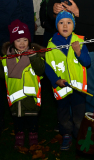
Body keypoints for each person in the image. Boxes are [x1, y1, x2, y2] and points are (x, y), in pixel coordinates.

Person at [47, 0, 94, 113]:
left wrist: (78, 12)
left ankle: (93, 121)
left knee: (89, 86)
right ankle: (70, 122)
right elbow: (47, 11)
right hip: (62, 48)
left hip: (86, 45)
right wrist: (54, 10)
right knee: (67, 86)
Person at [44, 10, 91, 150]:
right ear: (56, 25)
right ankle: (66, 135)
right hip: (61, 88)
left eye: (69, 22)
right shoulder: (51, 44)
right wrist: (55, 80)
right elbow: (47, 66)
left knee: (78, 114)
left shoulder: (80, 41)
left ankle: (79, 135)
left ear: (74, 25)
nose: (65, 26)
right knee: (63, 114)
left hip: (77, 89)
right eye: (61, 22)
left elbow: (87, 62)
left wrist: (78, 52)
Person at [0, 19, 45, 149]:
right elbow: (3, 74)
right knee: (17, 119)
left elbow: (41, 70)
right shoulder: (6, 58)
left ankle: (33, 136)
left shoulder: (35, 55)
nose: (22, 43)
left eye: (25, 40)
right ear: (12, 42)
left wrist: (34, 57)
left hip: (31, 96)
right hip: (15, 97)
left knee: (32, 119)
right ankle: (19, 137)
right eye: (18, 40)